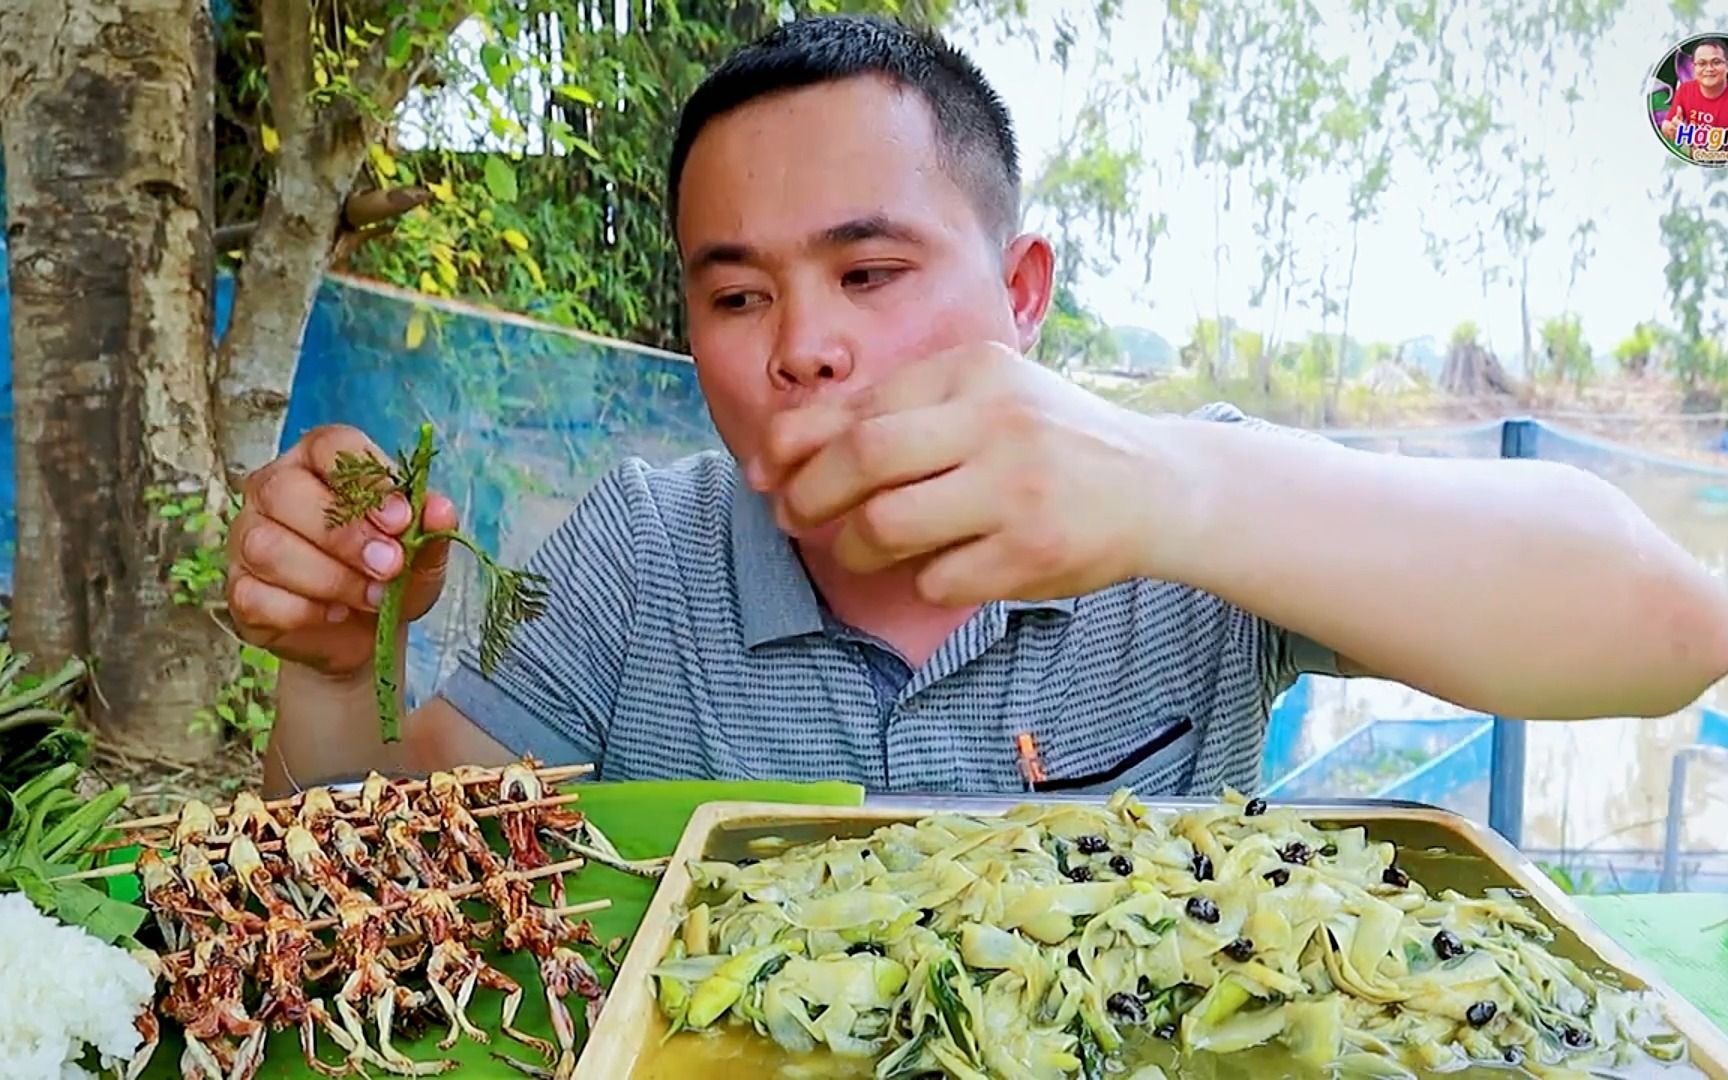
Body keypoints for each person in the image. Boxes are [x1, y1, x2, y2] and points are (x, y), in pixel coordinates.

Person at [232, 15, 1728, 800]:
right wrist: (323, 658)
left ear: (1022, 291)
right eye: (737, 296)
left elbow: (1668, 628)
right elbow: (381, 869)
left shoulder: (1175, 505)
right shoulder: (636, 548)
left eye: (870, 270)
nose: (802, 349)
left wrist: (1174, 497)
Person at [1661, 38, 1726, 141]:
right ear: (1693, 68)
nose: (1709, 69)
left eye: (1716, 62)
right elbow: (1666, 124)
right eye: (1701, 63)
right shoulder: (1685, 90)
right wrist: (1672, 129)